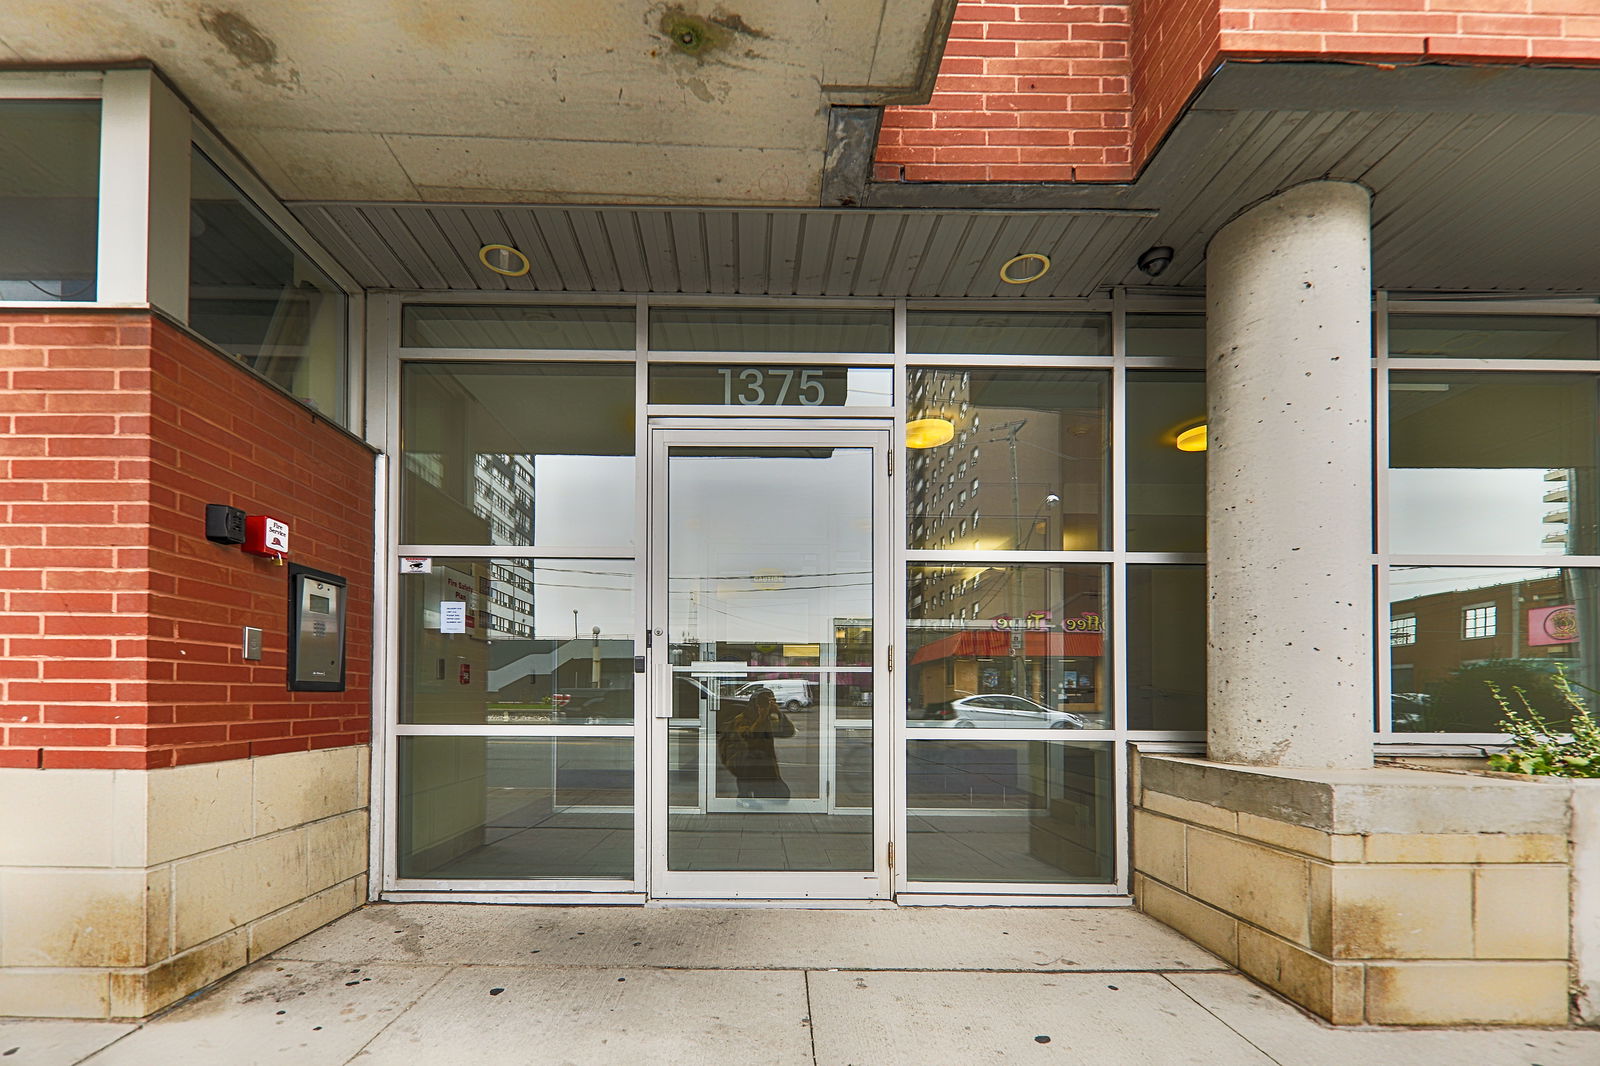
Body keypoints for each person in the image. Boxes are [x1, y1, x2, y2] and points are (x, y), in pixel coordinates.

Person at [716, 688, 795, 805]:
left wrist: (779, 713)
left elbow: (788, 732)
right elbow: (750, 739)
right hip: (741, 760)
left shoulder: (769, 719)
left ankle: (759, 790)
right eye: (762, 702)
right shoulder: (741, 719)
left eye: (768, 702)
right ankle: (744, 796)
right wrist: (761, 718)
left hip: (764, 763)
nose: (764, 706)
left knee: (782, 797)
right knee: (752, 759)